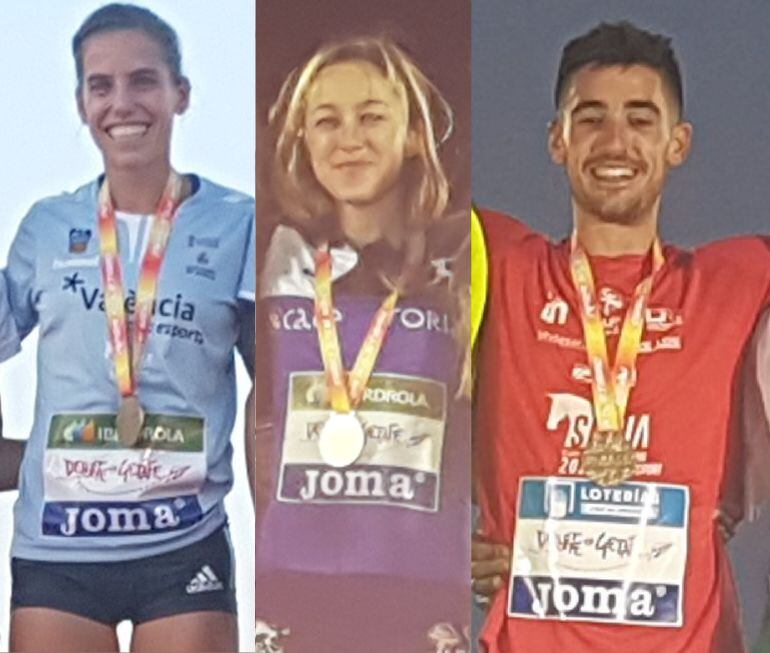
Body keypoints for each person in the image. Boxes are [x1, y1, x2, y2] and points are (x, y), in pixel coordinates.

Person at [472, 21, 770, 653]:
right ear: (557, 140)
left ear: (677, 142)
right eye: (589, 119)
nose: (615, 142)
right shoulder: (496, 260)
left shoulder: (740, 277)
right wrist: (431, 549)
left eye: (641, 120)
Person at [1, 4, 255, 652]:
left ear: (181, 94)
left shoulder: (239, 223)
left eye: (144, 80)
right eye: (100, 85)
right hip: (58, 548)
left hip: (183, 543)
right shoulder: (47, 225)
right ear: (81, 103)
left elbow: (276, 390)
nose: (123, 103)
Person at [255, 36, 470, 652]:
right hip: (292, 590)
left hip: (426, 594)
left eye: (372, 115)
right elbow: (257, 413)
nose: (349, 137)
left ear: (412, 134)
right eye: (327, 121)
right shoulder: (276, 259)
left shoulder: (461, 262)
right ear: (303, 141)